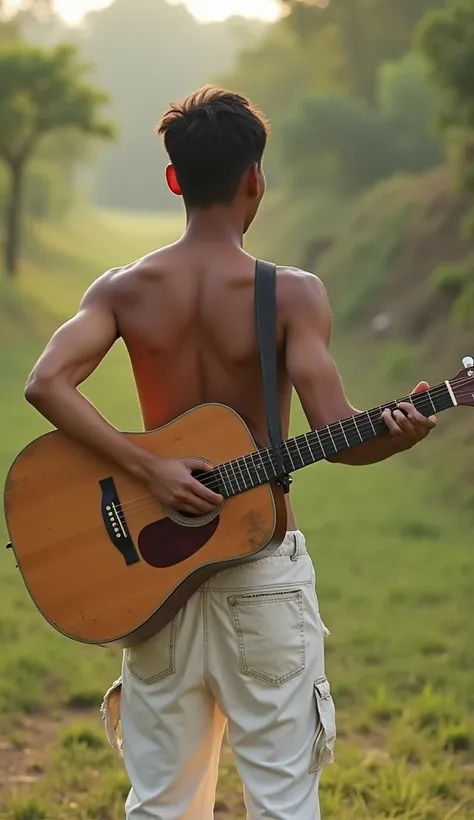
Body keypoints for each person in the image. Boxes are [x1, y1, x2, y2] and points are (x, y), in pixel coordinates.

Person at [24, 86, 437, 820]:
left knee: (161, 804)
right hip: (260, 580)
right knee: (281, 799)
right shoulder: (295, 294)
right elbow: (340, 433)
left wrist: (145, 471)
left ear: (174, 179)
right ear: (257, 177)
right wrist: (403, 431)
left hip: (154, 584)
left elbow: (46, 383)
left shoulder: (122, 289)